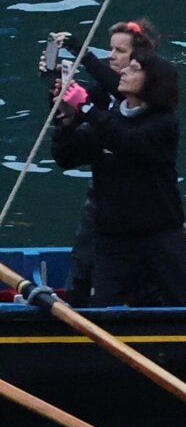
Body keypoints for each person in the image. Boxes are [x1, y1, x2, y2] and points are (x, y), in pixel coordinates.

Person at [49, 49, 186, 307]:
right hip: (113, 238)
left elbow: (128, 143)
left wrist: (86, 106)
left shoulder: (164, 124)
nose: (124, 71)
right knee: (103, 307)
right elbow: (67, 157)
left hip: (160, 235)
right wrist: (66, 120)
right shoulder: (108, 120)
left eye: (134, 68)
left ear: (152, 81)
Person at [45, 17, 160, 306]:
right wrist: (61, 98)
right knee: (82, 266)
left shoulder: (153, 96)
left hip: (140, 207)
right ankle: (77, 302)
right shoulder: (102, 94)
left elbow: (114, 97)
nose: (112, 56)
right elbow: (73, 144)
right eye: (111, 49)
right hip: (102, 198)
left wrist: (82, 53)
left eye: (120, 51)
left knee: (142, 279)